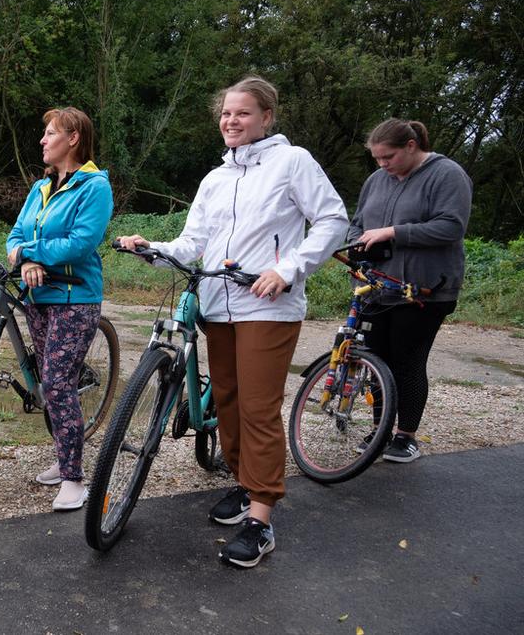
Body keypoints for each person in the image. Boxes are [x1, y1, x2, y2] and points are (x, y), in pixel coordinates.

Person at [117, 76, 348, 567]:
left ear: (267, 117)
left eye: (242, 113)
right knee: (228, 400)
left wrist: (287, 270)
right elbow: (191, 243)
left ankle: (261, 520)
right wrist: (151, 249)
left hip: (267, 307)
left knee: (258, 408)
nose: (231, 120)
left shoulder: (292, 162)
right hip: (217, 306)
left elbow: (332, 220)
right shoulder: (216, 178)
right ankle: (246, 486)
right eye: (226, 113)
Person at [7, 107, 113, 511]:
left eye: (50, 133)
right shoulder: (40, 187)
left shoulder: (94, 187)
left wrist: (29, 254)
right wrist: (27, 262)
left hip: (76, 298)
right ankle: (63, 455)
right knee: (48, 381)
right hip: (39, 297)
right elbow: (15, 235)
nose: (42, 140)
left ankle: (74, 478)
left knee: (55, 381)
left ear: (72, 139)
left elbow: (79, 243)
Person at [348, 118, 472, 463]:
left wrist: (392, 233)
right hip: (375, 287)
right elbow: (358, 221)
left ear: (411, 146)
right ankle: (380, 429)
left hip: (424, 290)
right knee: (376, 360)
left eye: (388, 157)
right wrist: (358, 240)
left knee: (407, 361)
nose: (383, 165)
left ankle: (406, 436)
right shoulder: (377, 180)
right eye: (377, 159)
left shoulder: (447, 174)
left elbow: (451, 226)